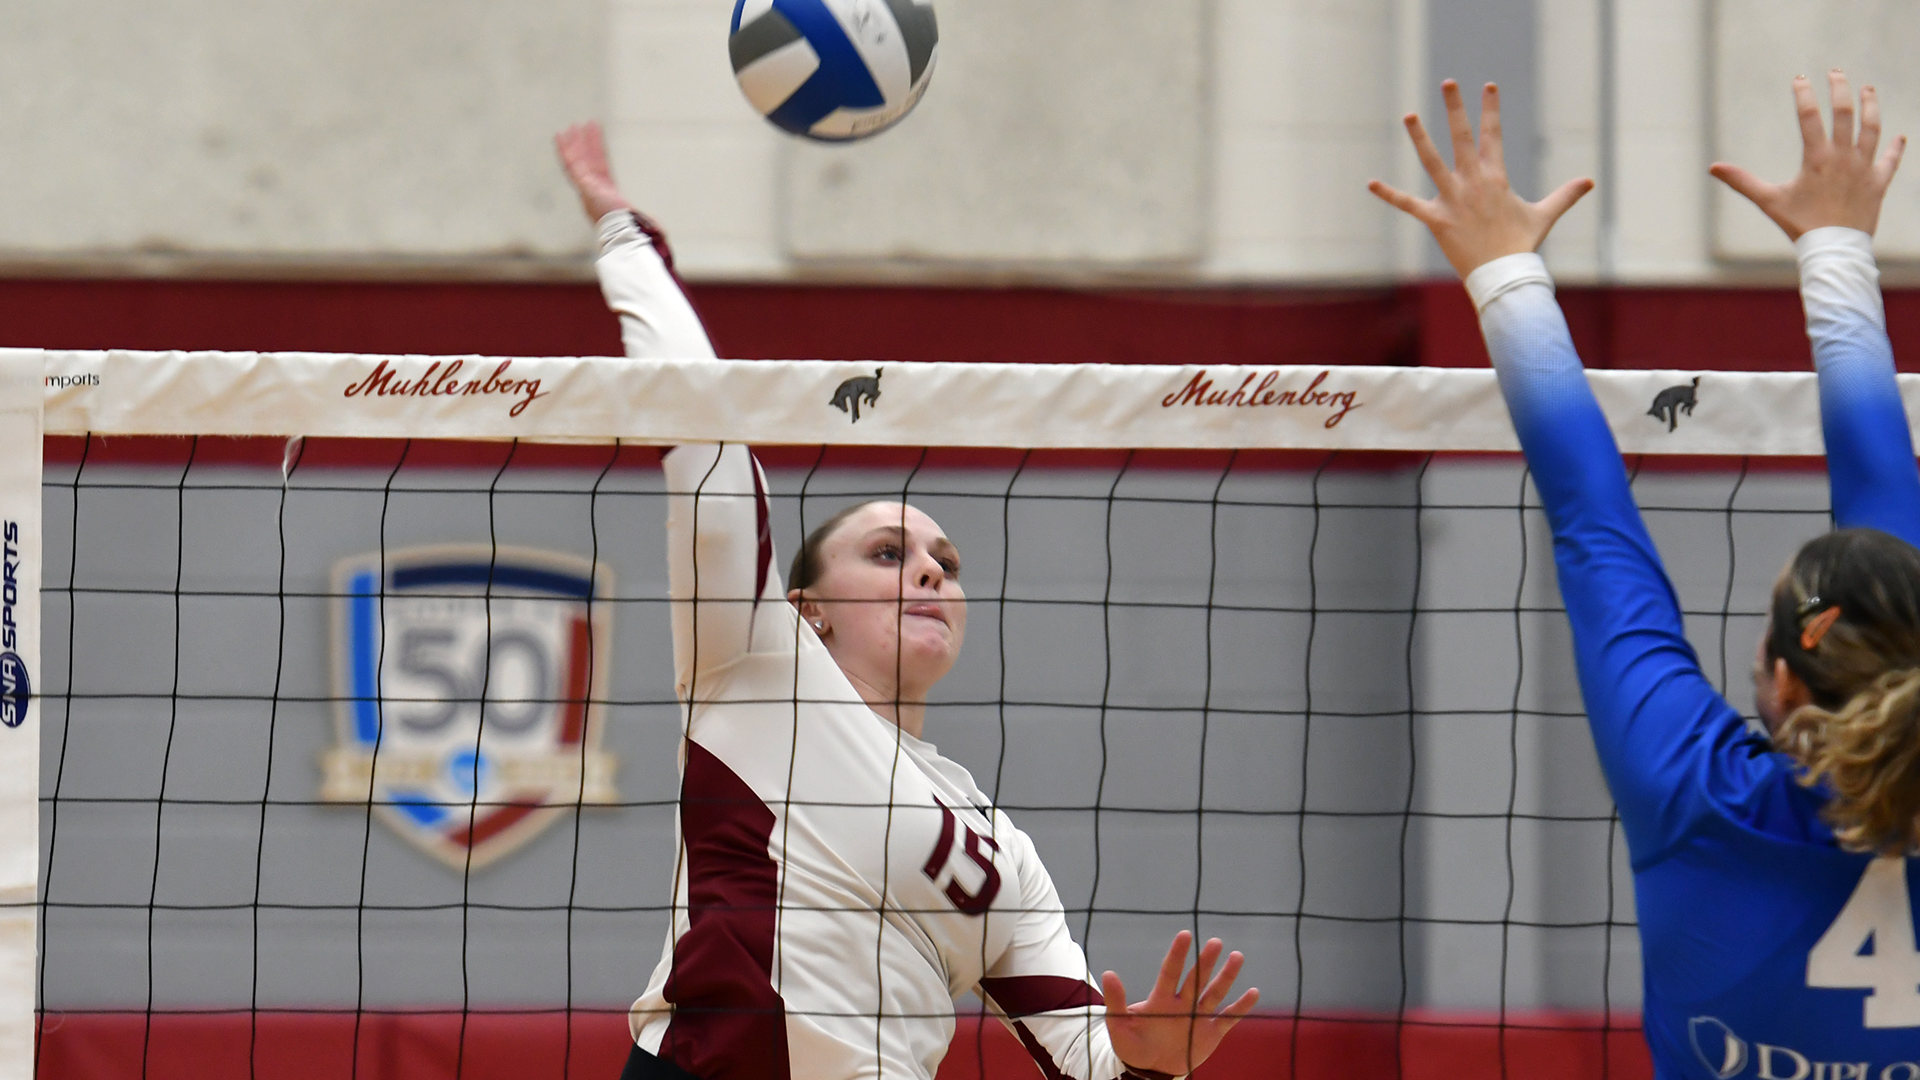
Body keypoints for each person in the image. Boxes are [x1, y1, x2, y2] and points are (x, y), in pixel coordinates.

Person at [552, 122, 1260, 1080]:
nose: (931, 572)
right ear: (807, 607)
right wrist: (627, 242)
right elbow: (703, 430)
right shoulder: (759, 672)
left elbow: (1086, 1055)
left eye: (945, 561)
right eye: (889, 554)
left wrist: (1152, 1064)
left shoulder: (998, 849)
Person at [1371, 73, 1918, 1067]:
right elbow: (1881, 524)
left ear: (1787, 677)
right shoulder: (1691, 782)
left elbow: (1595, 524)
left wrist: (1500, 267)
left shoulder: (1696, 793)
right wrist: (1837, 245)